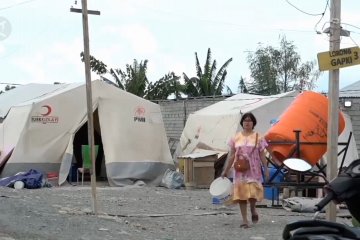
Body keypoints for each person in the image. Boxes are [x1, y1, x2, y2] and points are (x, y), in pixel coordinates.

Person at [221, 112, 269, 229]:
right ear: (242, 123)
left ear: (253, 123)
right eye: (245, 120)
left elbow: (262, 155)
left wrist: (266, 168)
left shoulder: (259, 137)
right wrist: (225, 170)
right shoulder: (236, 137)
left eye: (249, 120)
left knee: (253, 194)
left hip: (254, 170)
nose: (247, 122)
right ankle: (244, 220)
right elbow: (231, 155)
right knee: (241, 196)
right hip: (240, 171)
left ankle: (253, 209)